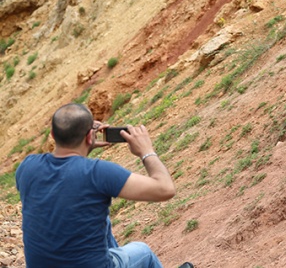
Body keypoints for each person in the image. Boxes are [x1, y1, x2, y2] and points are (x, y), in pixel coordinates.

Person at [16, 103, 194, 268]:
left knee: (99, 217)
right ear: (89, 136)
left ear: (53, 135)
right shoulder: (97, 172)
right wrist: (146, 151)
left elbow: (66, 178)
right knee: (143, 251)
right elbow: (165, 189)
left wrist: (85, 145)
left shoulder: (27, 167)